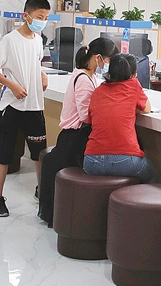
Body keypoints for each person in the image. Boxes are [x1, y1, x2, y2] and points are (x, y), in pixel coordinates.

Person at [0, 0, 51, 218]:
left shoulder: (38, 40)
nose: (42, 21)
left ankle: (42, 192)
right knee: (4, 155)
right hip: (12, 106)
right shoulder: (10, 40)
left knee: (38, 154)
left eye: (46, 18)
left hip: (34, 105)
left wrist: (41, 74)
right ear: (26, 16)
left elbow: (35, 63)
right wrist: (12, 85)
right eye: (39, 17)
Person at [38, 37, 117, 226]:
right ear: (98, 57)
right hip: (74, 139)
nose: (108, 64)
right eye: (108, 60)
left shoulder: (90, 76)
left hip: (76, 136)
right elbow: (85, 117)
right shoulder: (83, 79)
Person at [83, 53, 157, 183]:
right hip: (125, 161)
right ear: (134, 75)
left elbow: (89, 119)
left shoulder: (98, 91)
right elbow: (147, 108)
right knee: (152, 172)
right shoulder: (133, 85)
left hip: (91, 161)